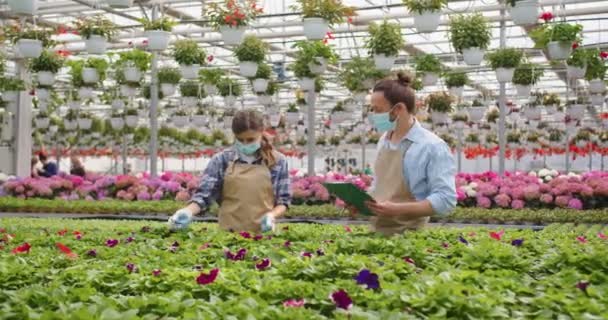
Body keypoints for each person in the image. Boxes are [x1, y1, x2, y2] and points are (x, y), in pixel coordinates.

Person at [351, 72, 456, 236]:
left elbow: (445, 200)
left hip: (409, 239)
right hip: (376, 233)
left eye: (378, 110)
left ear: (398, 109)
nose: (374, 115)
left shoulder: (432, 146)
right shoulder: (384, 140)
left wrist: (398, 209)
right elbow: (381, 187)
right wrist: (363, 203)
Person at [169, 109, 291, 232]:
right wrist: (188, 211)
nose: (245, 144)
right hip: (228, 235)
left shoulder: (277, 161)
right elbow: (205, 195)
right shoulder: (222, 160)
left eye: (250, 140)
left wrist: (271, 216)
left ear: (261, 133)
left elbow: (283, 201)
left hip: (264, 235)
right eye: (240, 139)